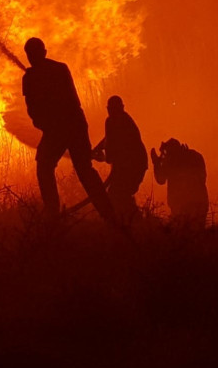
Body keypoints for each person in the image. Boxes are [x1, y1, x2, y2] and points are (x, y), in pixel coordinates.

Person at [22, 37, 115, 223]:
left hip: (69, 125)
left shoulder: (53, 71)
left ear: (44, 53)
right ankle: (57, 213)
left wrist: (48, 124)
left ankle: (106, 215)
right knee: (57, 166)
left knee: (58, 167)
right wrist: (43, 124)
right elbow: (32, 109)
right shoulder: (34, 76)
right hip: (64, 127)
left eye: (35, 54)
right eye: (30, 55)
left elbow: (69, 102)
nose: (32, 58)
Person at [92, 96, 148, 224]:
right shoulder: (124, 120)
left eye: (112, 109)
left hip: (131, 167)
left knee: (117, 194)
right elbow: (108, 138)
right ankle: (135, 223)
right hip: (138, 165)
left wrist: (102, 157)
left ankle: (132, 224)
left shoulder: (112, 121)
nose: (110, 111)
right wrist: (96, 150)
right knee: (120, 194)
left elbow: (112, 153)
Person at [151, 138, 208, 228]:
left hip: (182, 206)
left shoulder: (171, 161)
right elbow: (203, 178)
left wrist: (156, 163)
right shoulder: (196, 156)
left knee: (181, 235)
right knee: (199, 235)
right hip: (201, 203)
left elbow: (160, 180)